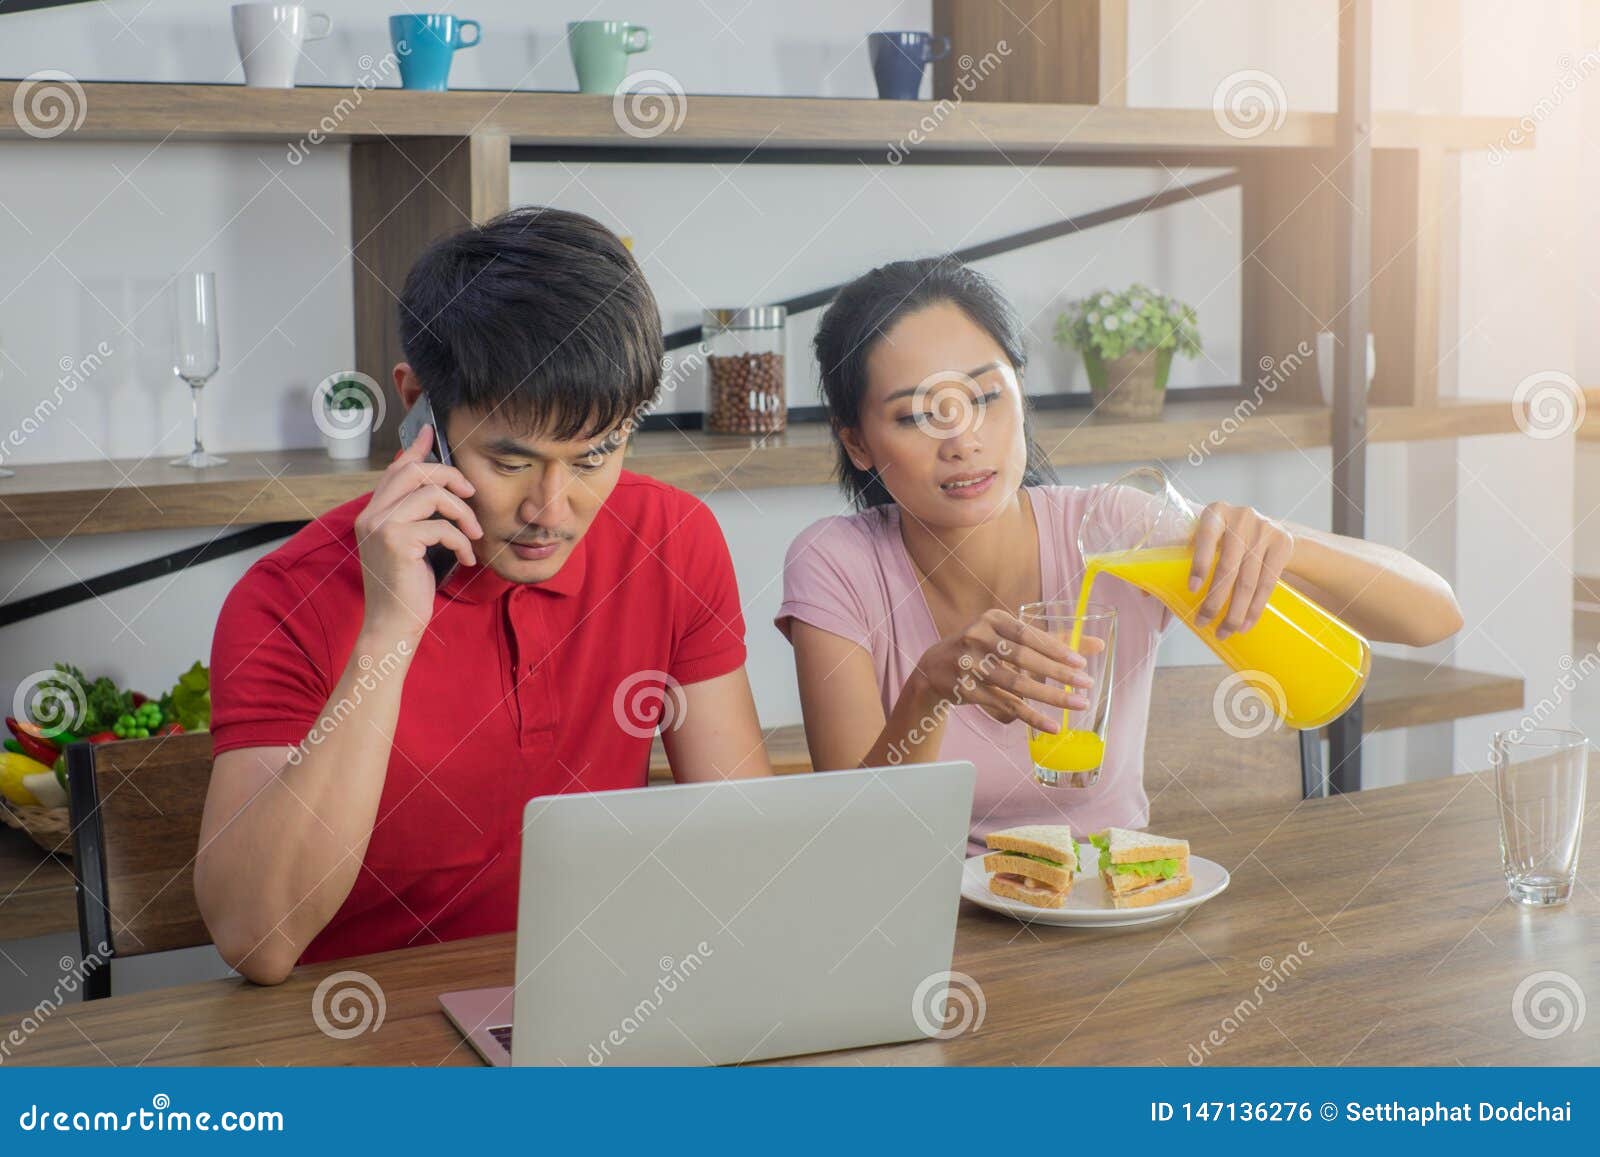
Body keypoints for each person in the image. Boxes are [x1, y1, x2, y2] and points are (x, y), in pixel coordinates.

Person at [198, 207, 771, 985]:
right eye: (511, 461)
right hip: (358, 1039)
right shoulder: (283, 600)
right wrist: (390, 629)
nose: (553, 507)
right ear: (417, 411)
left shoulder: (673, 539)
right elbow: (254, 939)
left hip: (591, 1012)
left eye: (597, 454)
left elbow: (743, 846)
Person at [776, 257, 1462, 849]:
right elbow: (857, 840)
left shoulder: (1116, 530)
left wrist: (1284, 540)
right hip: (939, 933)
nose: (962, 438)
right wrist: (926, 691)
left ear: (1023, 394)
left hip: (1115, 914)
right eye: (915, 414)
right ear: (858, 443)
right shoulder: (837, 564)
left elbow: (1434, 616)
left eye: (985, 396)